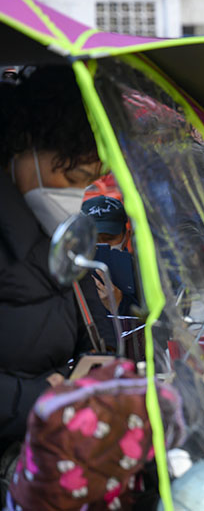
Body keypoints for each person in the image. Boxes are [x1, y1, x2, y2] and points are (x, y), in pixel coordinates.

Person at [0, 66, 114, 496]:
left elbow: (93, 324)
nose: (75, 196)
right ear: (21, 149)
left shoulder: (59, 236)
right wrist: (35, 396)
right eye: (71, 179)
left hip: (51, 453)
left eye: (88, 182)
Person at [81, 195, 140, 315]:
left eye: (109, 238)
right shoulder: (72, 274)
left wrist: (120, 303)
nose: (101, 245)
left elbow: (153, 323)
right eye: (94, 239)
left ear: (126, 237)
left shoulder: (142, 275)